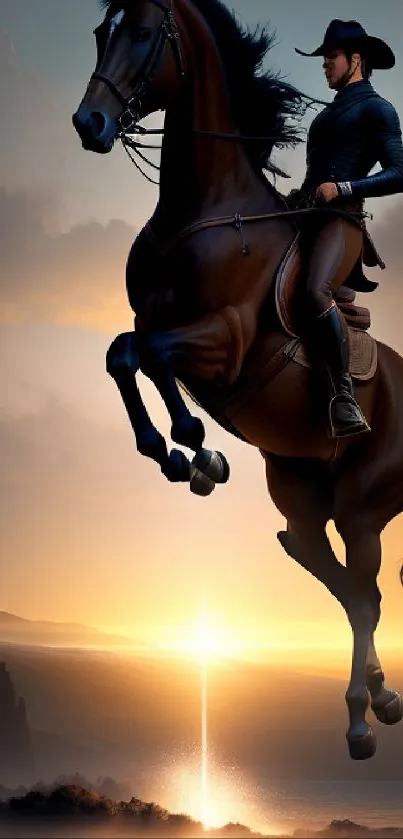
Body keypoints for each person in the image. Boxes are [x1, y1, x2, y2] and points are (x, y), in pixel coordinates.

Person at [291, 19, 403, 439]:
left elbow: (400, 172)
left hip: (343, 222)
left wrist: (345, 187)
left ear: (356, 60)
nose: (324, 65)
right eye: (324, 59)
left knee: (315, 291)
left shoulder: (378, 109)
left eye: (331, 58)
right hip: (308, 215)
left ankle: (343, 397)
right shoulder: (326, 114)